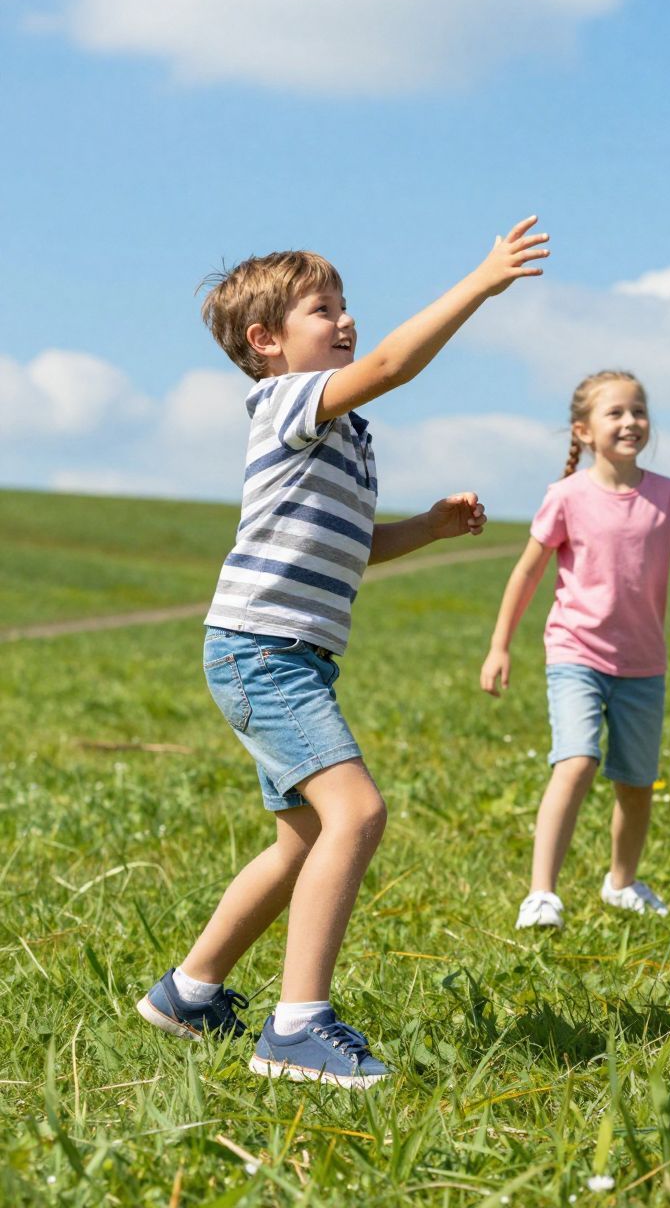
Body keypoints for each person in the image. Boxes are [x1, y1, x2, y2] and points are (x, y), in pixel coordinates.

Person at [138, 218, 549, 1087]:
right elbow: (395, 364)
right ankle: (296, 1029)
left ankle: (188, 992)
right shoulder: (286, 402)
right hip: (262, 649)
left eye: (346, 304)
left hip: (287, 654)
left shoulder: (346, 435)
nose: (347, 320)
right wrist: (481, 282)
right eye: (323, 309)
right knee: (356, 814)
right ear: (267, 344)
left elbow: (353, 545)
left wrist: (428, 530)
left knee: (302, 841)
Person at [480, 370, 670, 930]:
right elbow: (526, 574)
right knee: (577, 760)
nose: (631, 422)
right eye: (616, 413)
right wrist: (499, 646)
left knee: (635, 784)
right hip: (576, 651)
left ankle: (622, 882)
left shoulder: (668, 496)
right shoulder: (566, 496)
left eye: (639, 411)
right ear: (583, 431)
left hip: (644, 663)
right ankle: (541, 894)